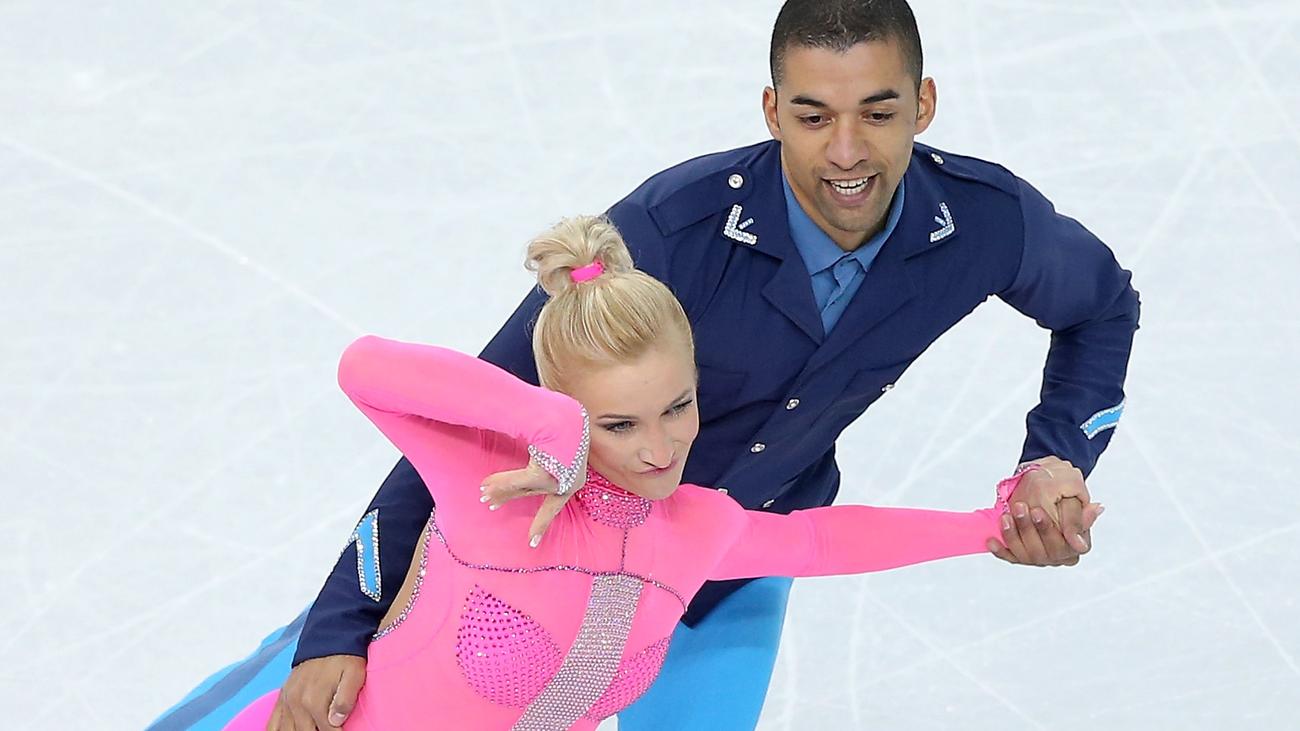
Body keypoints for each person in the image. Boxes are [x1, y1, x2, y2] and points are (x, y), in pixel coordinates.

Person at [148, 1, 1138, 729]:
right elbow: (460, 421)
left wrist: (1055, 458)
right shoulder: (668, 230)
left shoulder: (987, 225)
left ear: (923, 103)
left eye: (877, 113)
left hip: (724, 567)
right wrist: (339, 626)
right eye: (812, 116)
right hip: (533, 562)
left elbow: (1103, 306)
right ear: (771, 109)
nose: (846, 151)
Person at [221, 215, 1082, 730]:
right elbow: (364, 367)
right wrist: (545, 425)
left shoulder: (693, 526)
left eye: (677, 406)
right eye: (617, 424)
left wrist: (986, 528)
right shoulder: (493, 484)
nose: (660, 448)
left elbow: (820, 539)